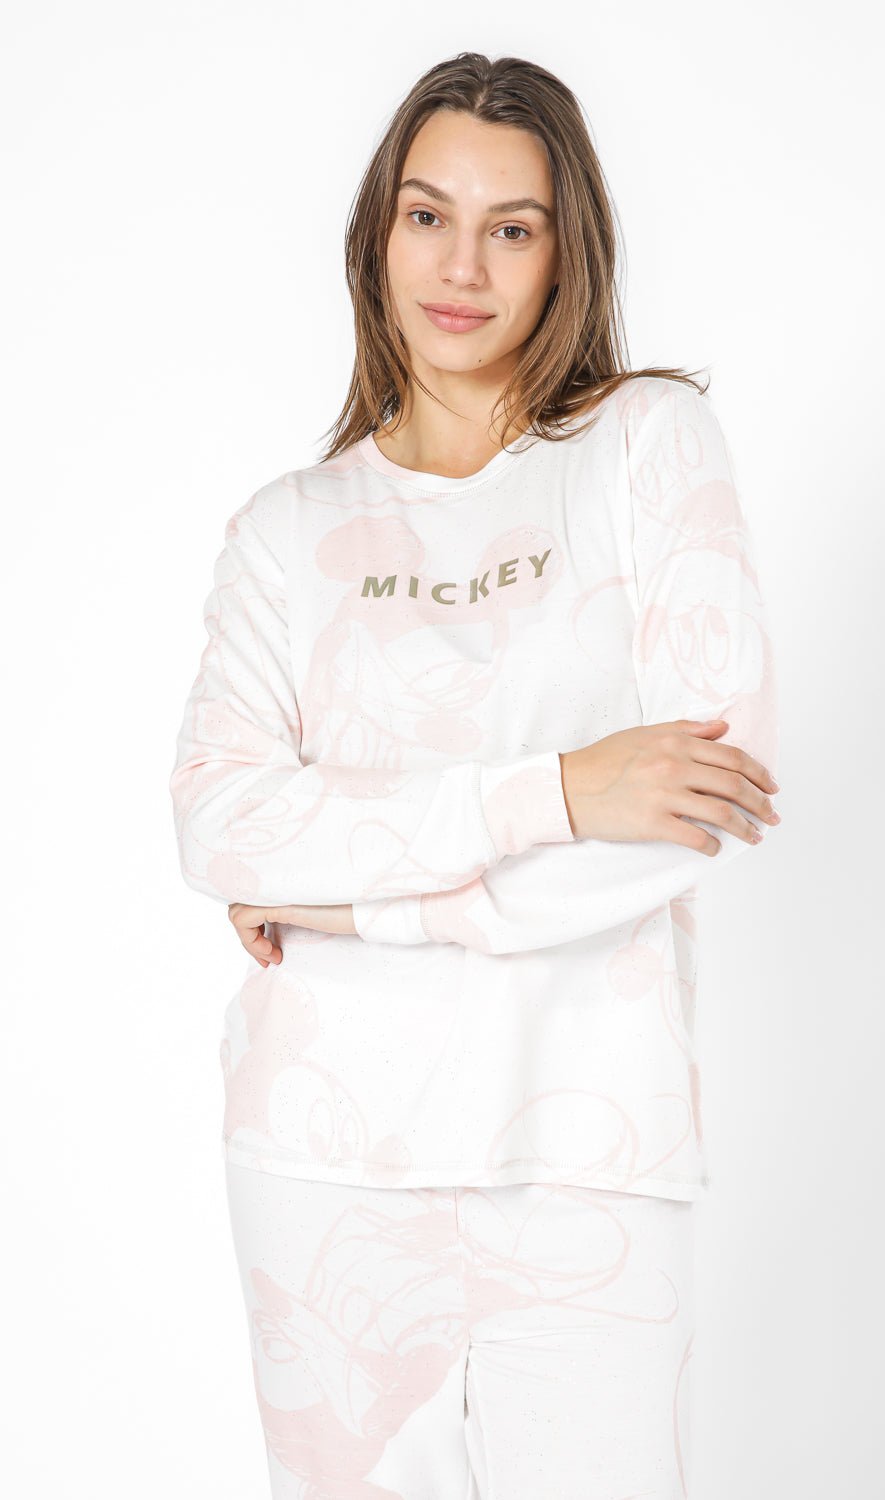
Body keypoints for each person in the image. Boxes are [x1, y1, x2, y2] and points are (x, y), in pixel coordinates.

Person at [168, 49, 782, 1500]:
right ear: (376, 232)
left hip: (586, 1156)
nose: (462, 267)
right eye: (427, 216)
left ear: (568, 250)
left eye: (513, 227)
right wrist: (557, 791)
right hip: (320, 1161)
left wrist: (347, 903)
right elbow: (220, 821)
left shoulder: (646, 448)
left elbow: (694, 802)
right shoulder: (286, 530)